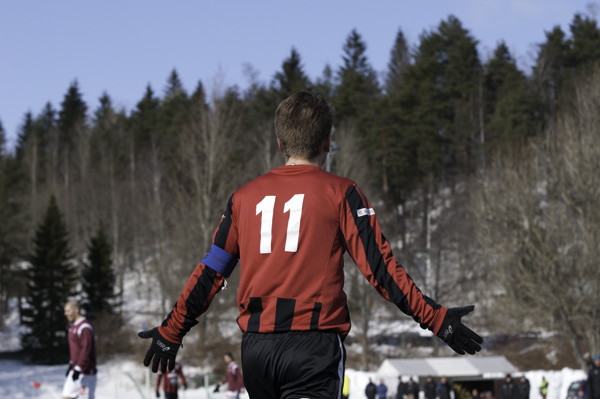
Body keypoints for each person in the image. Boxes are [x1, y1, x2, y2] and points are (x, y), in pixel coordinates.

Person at [138, 92, 482, 398]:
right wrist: (436, 318)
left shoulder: (242, 198)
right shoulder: (341, 192)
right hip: (312, 347)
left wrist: (172, 329)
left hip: (257, 351)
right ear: (327, 142)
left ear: (279, 143)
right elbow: (380, 269)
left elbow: (211, 270)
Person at [62, 301, 97, 399]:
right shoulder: (73, 326)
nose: (65, 314)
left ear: (76, 310)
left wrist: (78, 367)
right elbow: (76, 349)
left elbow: (86, 350)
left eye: (68, 311)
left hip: (85, 372)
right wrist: (71, 364)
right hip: (75, 370)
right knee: (66, 396)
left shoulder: (85, 327)